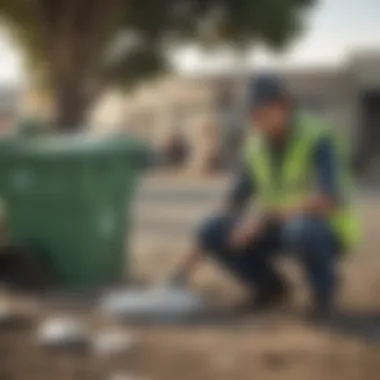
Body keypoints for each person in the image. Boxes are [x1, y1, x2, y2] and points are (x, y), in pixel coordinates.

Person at [169, 74, 359, 318]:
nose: (253, 119)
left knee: (302, 230)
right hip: (278, 226)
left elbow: (328, 200)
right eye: (249, 112)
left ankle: (324, 292)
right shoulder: (255, 147)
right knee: (212, 227)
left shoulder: (318, 139)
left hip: (324, 228)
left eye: (258, 111)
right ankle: (271, 289)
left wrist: (265, 218)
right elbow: (230, 206)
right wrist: (183, 269)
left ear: (282, 107)